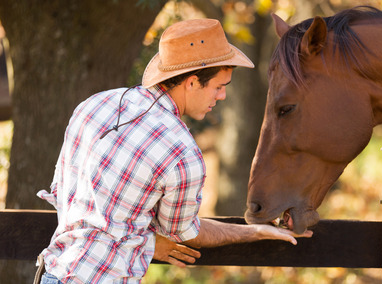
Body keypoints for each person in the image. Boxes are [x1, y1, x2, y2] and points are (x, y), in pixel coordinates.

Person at [35, 18, 312, 283]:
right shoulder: (181, 151)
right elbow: (183, 233)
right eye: (218, 87)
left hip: (52, 273)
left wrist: (142, 239)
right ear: (191, 82)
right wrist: (253, 232)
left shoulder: (94, 106)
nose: (222, 96)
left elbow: (72, 199)